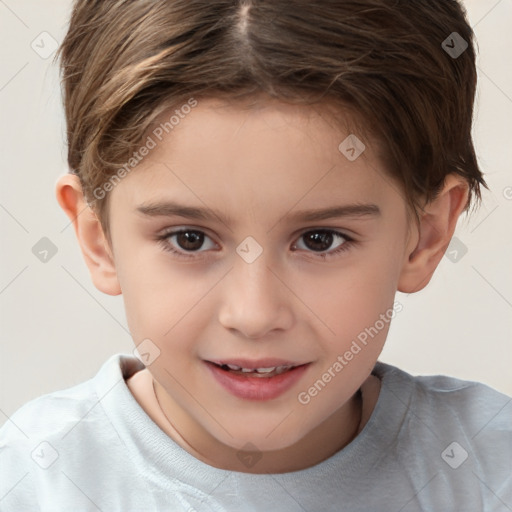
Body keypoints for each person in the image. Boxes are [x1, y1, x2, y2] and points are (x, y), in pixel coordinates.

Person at [1, 0, 510, 510]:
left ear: (424, 236)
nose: (254, 315)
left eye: (320, 240)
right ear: (98, 239)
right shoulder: (31, 482)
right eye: (189, 239)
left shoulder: (489, 469)